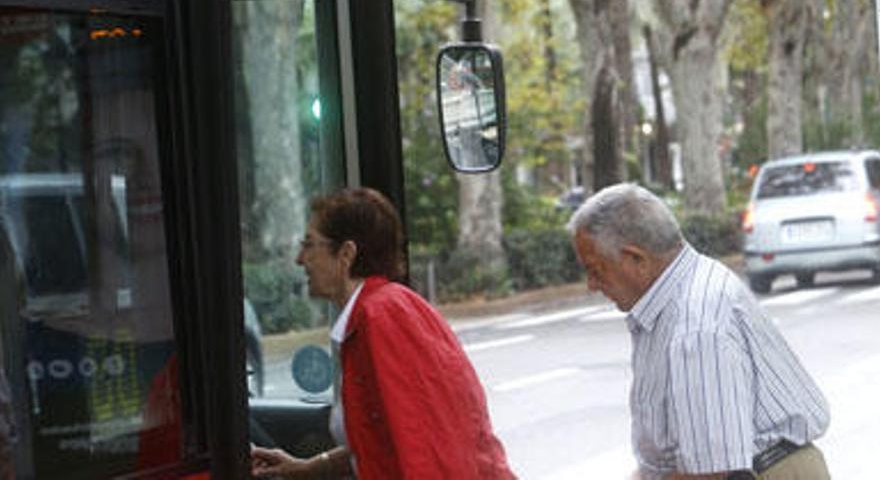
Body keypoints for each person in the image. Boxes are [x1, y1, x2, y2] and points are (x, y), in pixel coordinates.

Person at [567, 183, 830, 480]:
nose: (592, 285)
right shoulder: (678, 295)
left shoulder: (696, 325)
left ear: (635, 259)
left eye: (596, 270)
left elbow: (709, 471)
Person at [251, 187, 515, 480]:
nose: (300, 259)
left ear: (346, 254)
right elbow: (380, 443)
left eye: (310, 244)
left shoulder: (383, 317)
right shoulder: (378, 311)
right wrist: (307, 468)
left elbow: (420, 449)